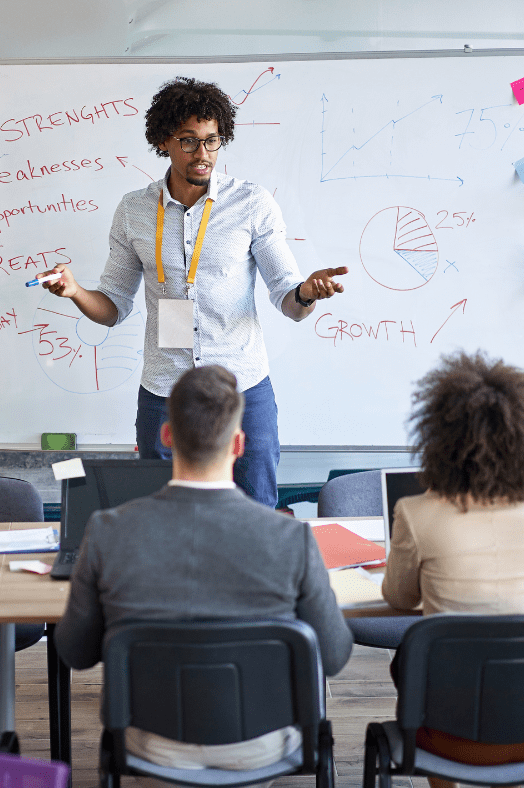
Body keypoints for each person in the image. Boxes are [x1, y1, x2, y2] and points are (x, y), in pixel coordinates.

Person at [37, 76, 348, 508]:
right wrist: (75, 291)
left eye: (212, 141)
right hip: (166, 390)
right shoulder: (133, 211)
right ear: (163, 140)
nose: (203, 154)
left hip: (243, 388)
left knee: (256, 508)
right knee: (161, 514)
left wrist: (308, 293)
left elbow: (288, 300)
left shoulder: (252, 204)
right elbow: (112, 308)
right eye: (189, 141)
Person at [55, 365, 353, 787]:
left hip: (153, 744)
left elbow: (75, 652)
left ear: (165, 436)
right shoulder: (292, 538)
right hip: (259, 745)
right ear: (239, 444)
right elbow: (336, 655)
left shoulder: (107, 531)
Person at [382, 351, 524, 781]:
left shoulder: (416, 512)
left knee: (412, 658)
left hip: (443, 739)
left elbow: (399, 599)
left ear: (437, 440)